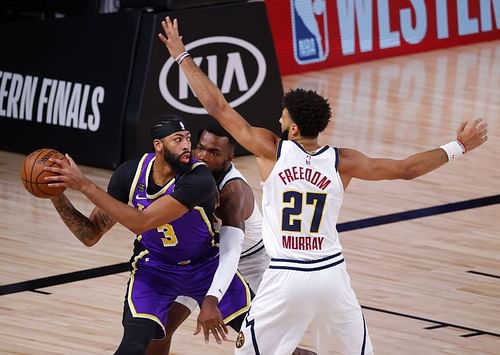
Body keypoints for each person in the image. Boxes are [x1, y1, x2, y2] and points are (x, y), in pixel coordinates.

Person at [158, 17, 489, 355]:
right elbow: (405, 170)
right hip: (331, 276)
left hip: (285, 277)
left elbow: (217, 106)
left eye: (284, 118)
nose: (279, 120)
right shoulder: (342, 161)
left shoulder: (272, 150)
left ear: (295, 128)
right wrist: (458, 146)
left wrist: (181, 54)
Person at [46, 115, 251, 354]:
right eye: (177, 140)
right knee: (134, 347)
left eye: (187, 139)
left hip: (205, 267)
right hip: (155, 269)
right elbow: (90, 235)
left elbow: (142, 222)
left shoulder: (199, 178)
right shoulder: (129, 175)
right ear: (158, 145)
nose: (186, 145)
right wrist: (56, 196)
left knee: (265, 336)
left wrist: (84, 185)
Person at [148, 123, 315, 355]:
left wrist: (211, 299)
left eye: (214, 153)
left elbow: (230, 253)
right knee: (160, 328)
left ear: (230, 157)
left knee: (267, 344)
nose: (204, 157)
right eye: (201, 149)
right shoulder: (190, 168)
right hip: (206, 260)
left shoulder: (232, 193)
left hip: (252, 262)